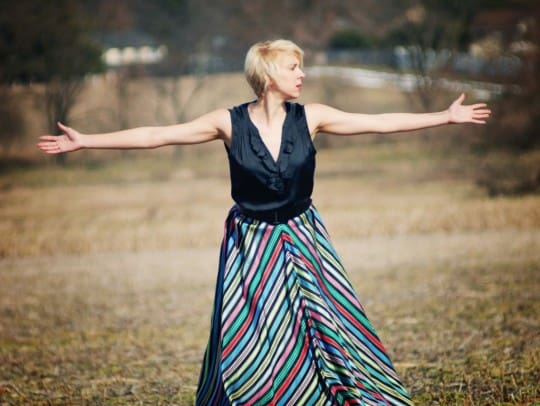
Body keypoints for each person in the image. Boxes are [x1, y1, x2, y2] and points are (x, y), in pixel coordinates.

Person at [38, 39, 490, 405]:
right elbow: (157, 135)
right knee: (251, 328)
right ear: (270, 74)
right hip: (250, 244)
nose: (302, 74)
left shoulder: (311, 117)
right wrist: (87, 142)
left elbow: (378, 122)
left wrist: (445, 117)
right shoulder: (228, 123)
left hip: (303, 236)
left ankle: (338, 391)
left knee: (325, 319)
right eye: (294, 67)